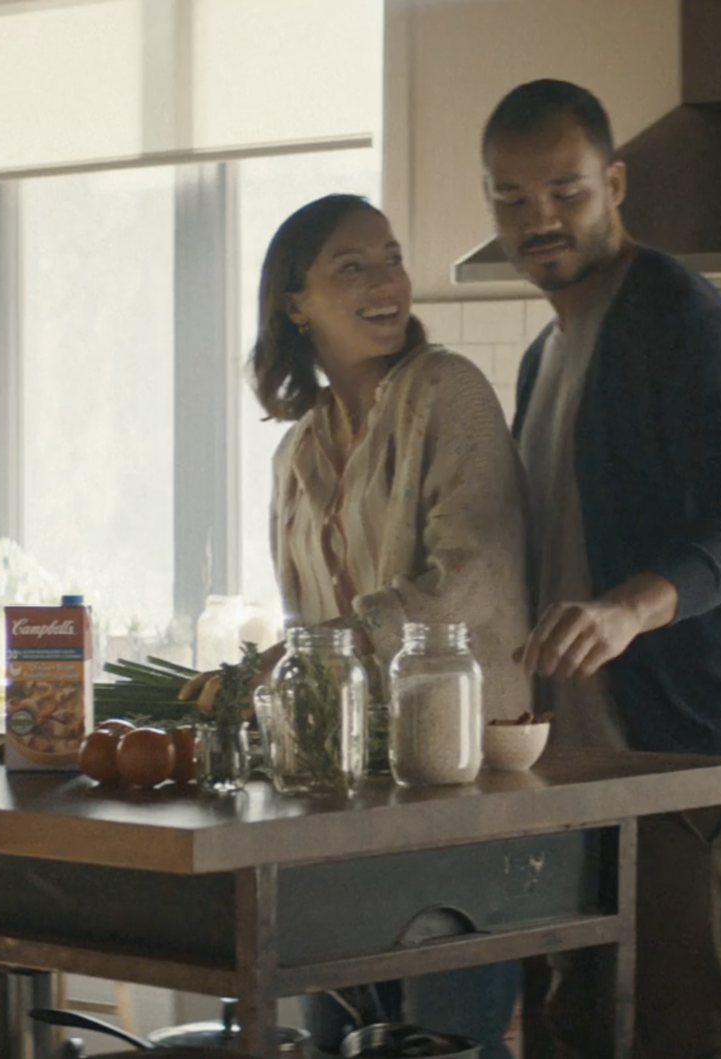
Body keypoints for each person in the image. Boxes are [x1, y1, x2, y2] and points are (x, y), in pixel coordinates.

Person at [484, 79, 721, 1058]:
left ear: (615, 184)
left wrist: (627, 610)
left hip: (693, 758)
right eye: (511, 197)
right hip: (583, 765)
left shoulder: (680, 318)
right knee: (568, 1030)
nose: (539, 218)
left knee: (692, 1036)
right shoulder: (544, 355)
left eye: (565, 190)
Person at [250, 193, 531, 1058]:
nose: (386, 282)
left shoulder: (448, 392)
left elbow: (469, 579)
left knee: (441, 1040)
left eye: (393, 258)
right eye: (352, 266)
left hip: (456, 787)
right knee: (332, 1036)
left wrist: (323, 648)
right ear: (296, 304)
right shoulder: (297, 450)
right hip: (343, 800)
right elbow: (302, 612)